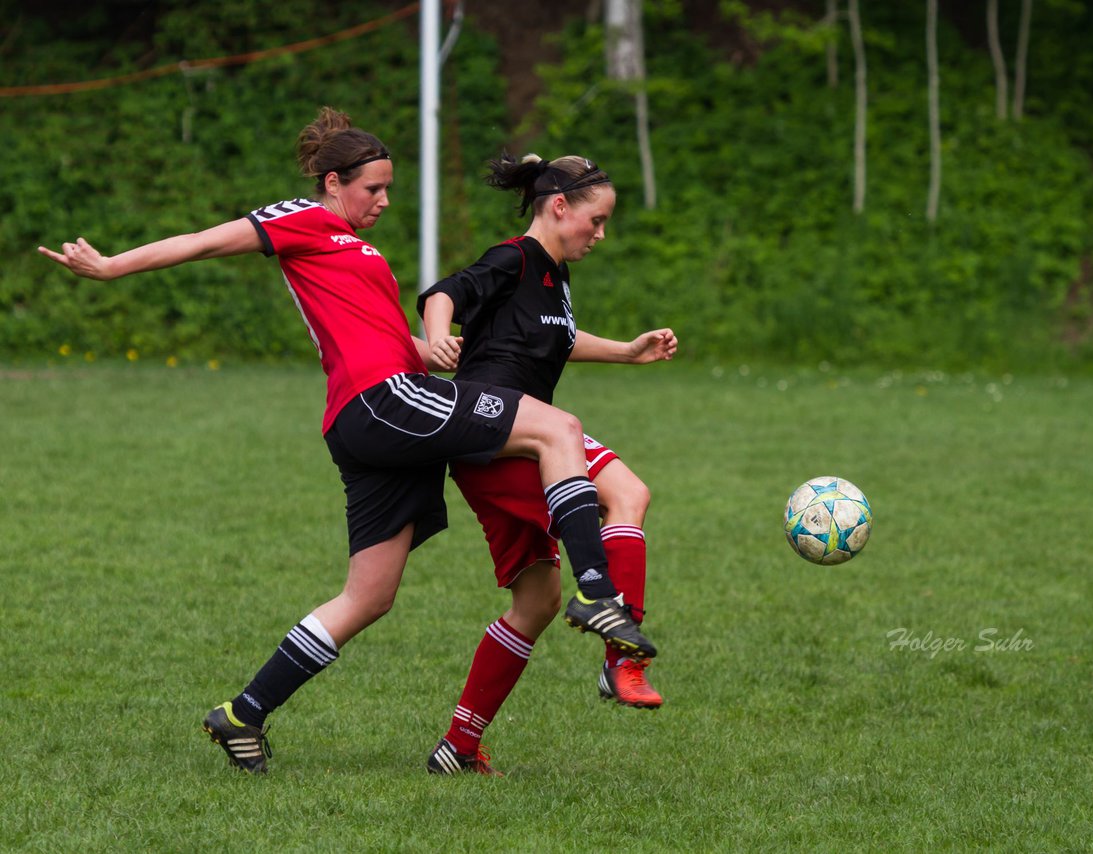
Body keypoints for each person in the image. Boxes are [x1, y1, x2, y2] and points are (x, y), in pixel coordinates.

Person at [36, 108, 655, 775]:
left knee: (369, 596)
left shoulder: (365, 258)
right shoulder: (302, 219)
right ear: (333, 182)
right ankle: (598, 592)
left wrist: (455, 345)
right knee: (556, 427)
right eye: (373, 189)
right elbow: (205, 242)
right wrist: (112, 267)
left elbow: (406, 344)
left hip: (382, 414)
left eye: (388, 189)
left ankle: (244, 713)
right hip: (380, 401)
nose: (384, 201)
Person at [418, 153, 675, 776]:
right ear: (559, 207)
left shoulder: (555, 276)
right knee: (628, 495)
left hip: (522, 442)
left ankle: (458, 747)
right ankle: (622, 656)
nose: (601, 233)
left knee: (534, 601)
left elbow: (557, 339)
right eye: (597, 219)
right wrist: (438, 335)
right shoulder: (515, 258)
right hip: (496, 434)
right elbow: (445, 292)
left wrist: (626, 352)